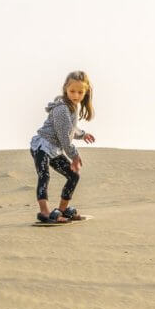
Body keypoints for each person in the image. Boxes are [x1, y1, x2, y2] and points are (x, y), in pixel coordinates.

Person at [29, 71, 96, 223]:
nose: (76, 95)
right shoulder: (61, 109)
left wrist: (83, 134)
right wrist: (74, 155)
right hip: (42, 147)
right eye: (72, 91)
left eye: (80, 92)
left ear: (85, 93)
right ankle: (45, 213)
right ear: (65, 88)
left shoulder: (73, 107)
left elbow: (71, 129)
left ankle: (63, 209)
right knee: (44, 175)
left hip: (55, 149)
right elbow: (64, 137)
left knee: (74, 176)